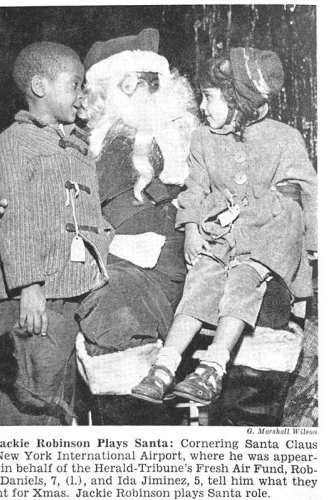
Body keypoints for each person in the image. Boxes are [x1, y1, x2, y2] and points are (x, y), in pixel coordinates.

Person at [131, 47, 317, 406]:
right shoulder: (202, 139)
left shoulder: (285, 138)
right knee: (201, 280)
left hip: (268, 235)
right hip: (219, 232)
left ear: (240, 100)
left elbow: (309, 192)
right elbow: (196, 187)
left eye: (210, 98)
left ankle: (213, 366)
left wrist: (312, 248)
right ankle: (164, 367)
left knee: (242, 283)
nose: (202, 106)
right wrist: (191, 228)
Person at [0, 41, 112, 425]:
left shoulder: (78, 146)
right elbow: (15, 218)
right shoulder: (15, 141)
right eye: (75, 85)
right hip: (37, 298)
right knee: (27, 402)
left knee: (61, 405)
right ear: (40, 87)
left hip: (74, 293)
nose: (81, 96)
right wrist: (29, 287)